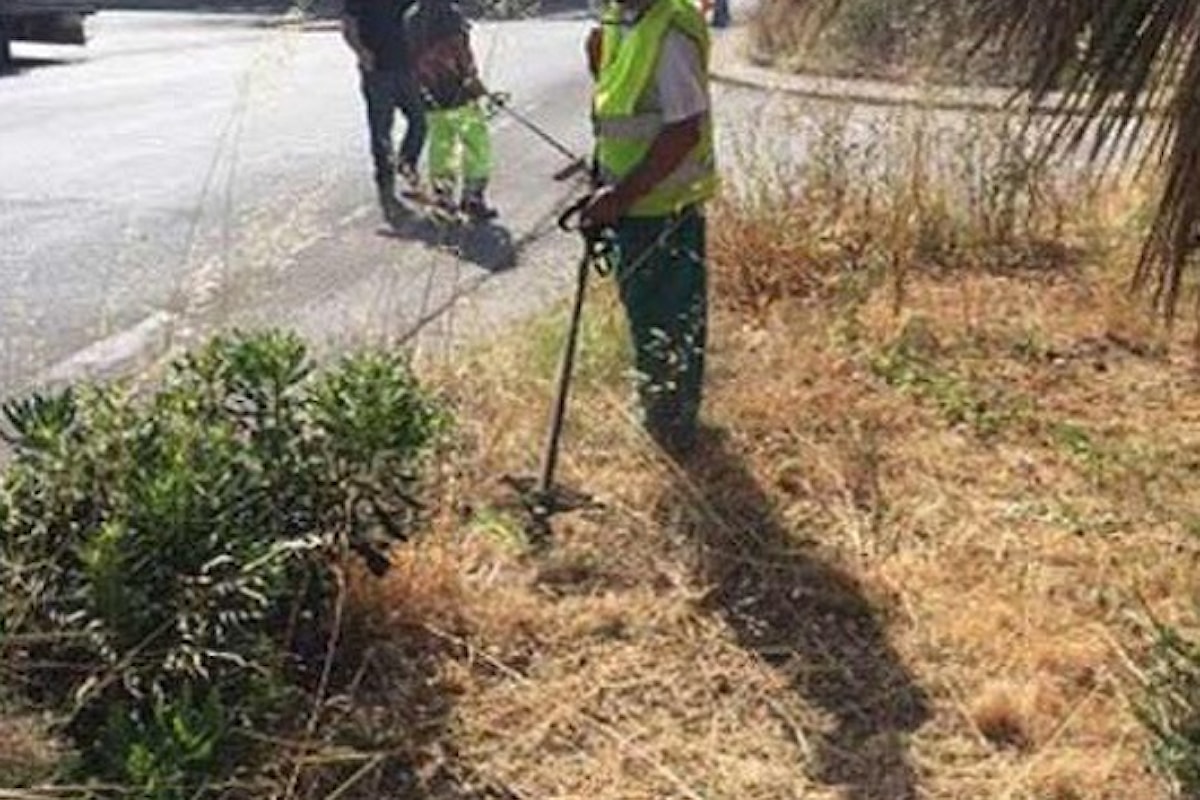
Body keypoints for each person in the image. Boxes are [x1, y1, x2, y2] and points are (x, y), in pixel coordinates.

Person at [581, 0, 718, 454]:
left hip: (665, 213)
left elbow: (683, 132)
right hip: (635, 210)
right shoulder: (623, 21)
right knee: (647, 318)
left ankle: (674, 427)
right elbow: (622, 113)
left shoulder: (668, 34)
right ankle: (661, 414)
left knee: (671, 321)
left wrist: (619, 197)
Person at [408, 0, 497, 221]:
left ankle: (443, 198)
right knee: (477, 145)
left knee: (441, 146)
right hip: (458, 94)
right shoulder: (449, 13)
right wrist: (475, 85)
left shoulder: (411, 17)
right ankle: (472, 199)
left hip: (430, 94)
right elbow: (461, 53)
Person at [342, 0, 427, 218]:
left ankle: (407, 164)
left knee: (419, 121)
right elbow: (348, 25)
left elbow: (422, 17)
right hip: (377, 71)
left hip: (409, 68)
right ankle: (385, 187)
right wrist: (361, 53)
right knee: (381, 131)